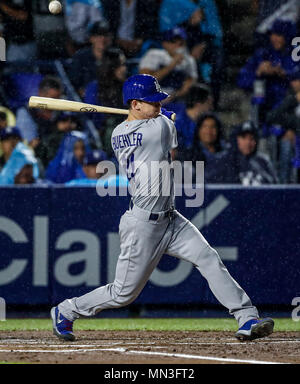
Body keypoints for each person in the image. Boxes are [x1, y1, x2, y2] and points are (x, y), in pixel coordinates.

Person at [51, 74, 274, 342]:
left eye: (158, 102)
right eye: (151, 102)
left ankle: (246, 317)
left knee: (208, 258)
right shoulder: (157, 128)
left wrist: (159, 115)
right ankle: (66, 310)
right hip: (142, 224)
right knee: (123, 294)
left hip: (171, 218)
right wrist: (164, 117)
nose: (158, 105)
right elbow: (167, 132)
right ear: (134, 104)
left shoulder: (118, 132)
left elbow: (165, 136)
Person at [238, 19, 297, 122]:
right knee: (257, 96)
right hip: (262, 106)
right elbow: (241, 81)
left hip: (287, 109)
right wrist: (258, 72)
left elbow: (296, 80)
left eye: (279, 35)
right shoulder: (262, 54)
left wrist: (284, 74)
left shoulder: (295, 55)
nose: (274, 38)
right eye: (272, 34)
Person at [206, 121, 278, 185]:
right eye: (243, 138)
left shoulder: (263, 161)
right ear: (236, 139)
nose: (248, 142)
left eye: (252, 138)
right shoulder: (222, 160)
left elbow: (275, 187)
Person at [84, 49, 127, 155]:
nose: (124, 69)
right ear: (111, 67)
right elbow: (91, 115)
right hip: (105, 133)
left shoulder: (126, 87)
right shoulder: (95, 87)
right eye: (120, 65)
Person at [139, 27, 198, 102]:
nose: (177, 45)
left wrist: (173, 97)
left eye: (181, 42)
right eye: (173, 41)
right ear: (164, 43)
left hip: (176, 100)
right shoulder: (154, 54)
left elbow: (189, 85)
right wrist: (172, 65)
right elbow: (145, 82)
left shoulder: (189, 60)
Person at [266, 68, 300, 183]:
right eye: (293, 80)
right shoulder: (290, 97)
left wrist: (294, 129)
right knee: (285, 143)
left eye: (296, 80)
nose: (293, 83)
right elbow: (272, 117)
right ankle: (283, 185)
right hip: (294, 141)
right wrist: (294, 100)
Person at [68, 20, 113, 95]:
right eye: (98, 35)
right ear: (91, 38)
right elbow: (75, 84)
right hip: (85, 102)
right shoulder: (80, 57)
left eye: (106, 35)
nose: (102, 38)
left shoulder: (115, 56)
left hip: (110, 99)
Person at [16, 76, 63, 147]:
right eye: (53, 98)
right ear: (41, 94)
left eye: (58, 98)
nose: (56, 102)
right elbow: (30, 146)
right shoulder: (26, 113)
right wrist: (56, 129)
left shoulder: (61, 111)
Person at [174, 85, 213, 152]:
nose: (211, 107)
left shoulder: (206, 121)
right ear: (198, 104)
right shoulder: (177, 124)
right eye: (208, 103)